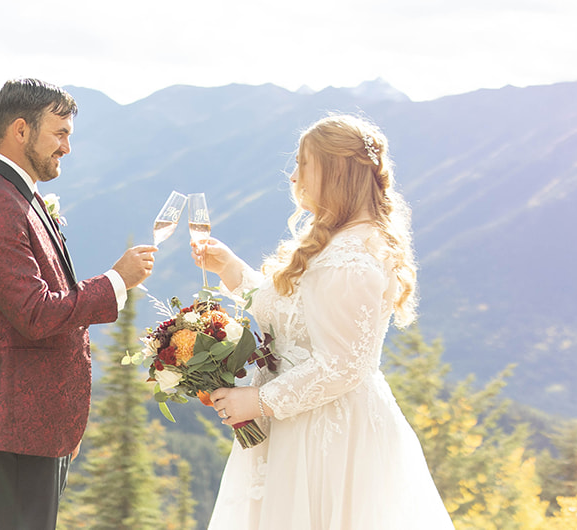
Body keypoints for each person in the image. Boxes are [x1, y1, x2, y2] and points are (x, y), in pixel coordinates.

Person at [192, 114, 453, 529]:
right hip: (296, 423)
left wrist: (259, 402)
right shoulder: (338, 239)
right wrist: (231, 269)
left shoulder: (353, 257)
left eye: (304, 163)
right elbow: (293, 315)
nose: (293, 175)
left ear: (337, 172)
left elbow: (344, 364)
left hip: (330, 436)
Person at [0, 78, 157, 530]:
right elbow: (37, 314)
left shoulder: (17, 195)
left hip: (32, 424)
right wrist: (117, 280)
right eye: (59, 134)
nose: (67, 148)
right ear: (20, 131)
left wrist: (61, 422)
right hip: (10, 424)